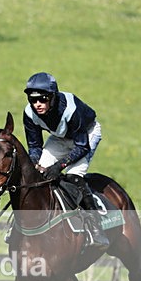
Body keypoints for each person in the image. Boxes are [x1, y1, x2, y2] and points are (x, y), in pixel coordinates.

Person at [22, 72, 109, 249]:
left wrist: (59, 166)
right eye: (33, 100)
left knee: (73, 176)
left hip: (86, 135)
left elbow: (82, 146)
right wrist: (34, 163)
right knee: (37, 175)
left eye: (43, 99)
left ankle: (96, 226)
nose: (37, 104)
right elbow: (34, 146)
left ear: (52, 97)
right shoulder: (29, 114)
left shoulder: (71, 110)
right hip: (60, 138)